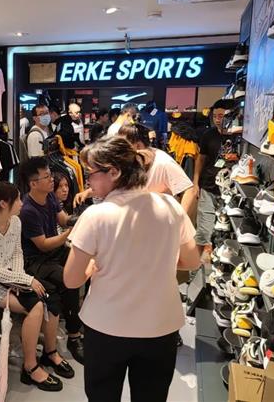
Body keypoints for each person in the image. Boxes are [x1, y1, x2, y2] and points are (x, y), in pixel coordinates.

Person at [63, 136, 200, 402]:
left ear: (114, 172)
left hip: (106, 326)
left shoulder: (96, 215)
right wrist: (159, 262)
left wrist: (93, 266)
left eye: (91, 174)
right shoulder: (170, 206)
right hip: (160, 326)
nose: (88, 182)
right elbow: (192, 261)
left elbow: (71, 279)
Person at [0, 182, 67, 391]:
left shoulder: (15, 222)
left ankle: (50, 353)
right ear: (4, 203)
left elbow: (17, 253)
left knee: (50, 297)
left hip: (8, 274)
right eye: (18, 199)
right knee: (35, 305)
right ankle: (30, 367)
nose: (22, 203)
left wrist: (20, 278)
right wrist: (26, 280)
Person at [19, 157, 84, 364]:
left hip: (54, 251)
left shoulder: (49, 197)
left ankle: (80, 319)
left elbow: (63, 219)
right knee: (70, 280)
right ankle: (73, 335)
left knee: (86, 264)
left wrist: (80, 219)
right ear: (33, 183)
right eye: (46, 177)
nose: (51, 180)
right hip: (36, 261)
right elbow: (43, 244)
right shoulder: (28, 210)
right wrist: (69, 233)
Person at [74, 122, 195, 216]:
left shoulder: (163, 162)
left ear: (137, 145)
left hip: (158, 219)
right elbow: (118, 186)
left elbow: (189, 190)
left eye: (122, 143)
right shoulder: (127, 161)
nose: (118, 148)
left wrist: (182, 220)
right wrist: (89, 192)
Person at [193, 99, 230, 260]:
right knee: (204, 230)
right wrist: (195, 183)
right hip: (208, 186)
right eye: (215, 116)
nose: (217, 119)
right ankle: (197, 265)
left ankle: (217, 263)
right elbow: (200, 159)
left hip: (228, 191)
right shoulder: (208, 135)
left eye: (221, 116)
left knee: (224, 230)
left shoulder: (238, 136)